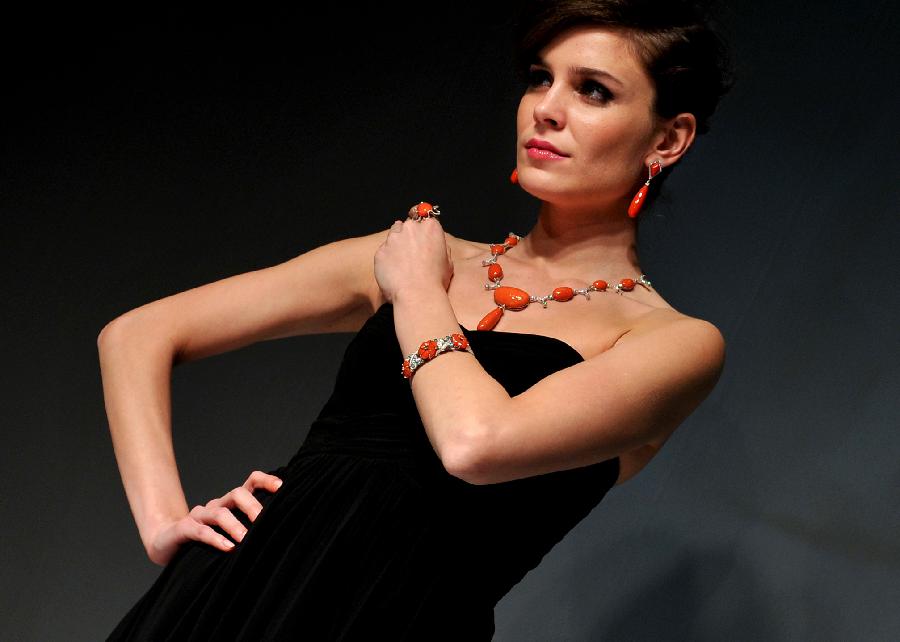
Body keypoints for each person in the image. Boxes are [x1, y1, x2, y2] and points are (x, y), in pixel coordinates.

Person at [98, 1, 735, 639]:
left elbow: (474, 444)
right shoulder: (425, 252)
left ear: (668, 138)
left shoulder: (672, 342)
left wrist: (417, 293)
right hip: (230, 597)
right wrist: (163, 525)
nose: (546, 107)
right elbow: (135, 335)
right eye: (541, 78)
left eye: (592, 90)